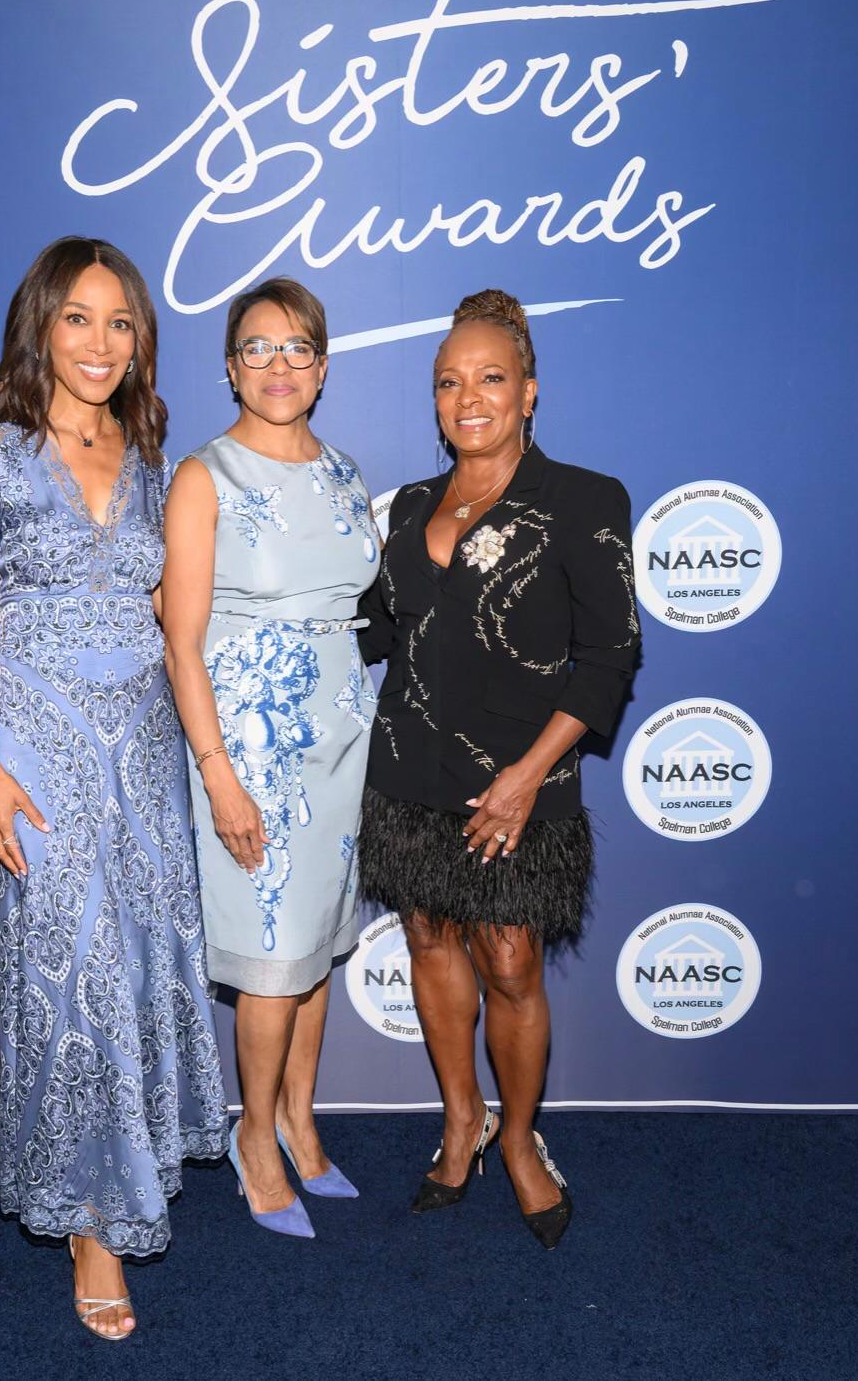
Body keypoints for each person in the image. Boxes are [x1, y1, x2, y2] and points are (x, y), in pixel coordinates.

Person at [0, 236, 227, 1340]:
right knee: (67, 973)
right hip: (39, 751)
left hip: (146, 751)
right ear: (41, 327)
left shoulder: (153, 453)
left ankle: (134, 1163)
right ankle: (90, 1224)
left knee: (138, 963)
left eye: (120, 322)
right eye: (79, 318)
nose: (101, 342)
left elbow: (179, 622)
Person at [357, 288, 639, 1249]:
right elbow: (373, 631)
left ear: (528, 392)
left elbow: (608, 659)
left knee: (510, 964)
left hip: (517, 784)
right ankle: (458, 1122)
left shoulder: (583, 501)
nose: (466, 397)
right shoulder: (403, 508)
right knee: (431, 945)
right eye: (447, 382)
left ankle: (519, 1140)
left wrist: (524, 777)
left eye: (489, 378)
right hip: (406, 774)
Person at [162, 277, 379, 1238]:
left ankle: (297, 1116)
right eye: (258, 348)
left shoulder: (342, 471)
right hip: (251, 741)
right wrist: (216, 772)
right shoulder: (203, 477)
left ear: (322, 368)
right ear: (229, 367)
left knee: (318, 947)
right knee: (270, 964)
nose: (279, 365)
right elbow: (180, 638)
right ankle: (255, 1135)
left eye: (298, 348)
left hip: (342, 735)